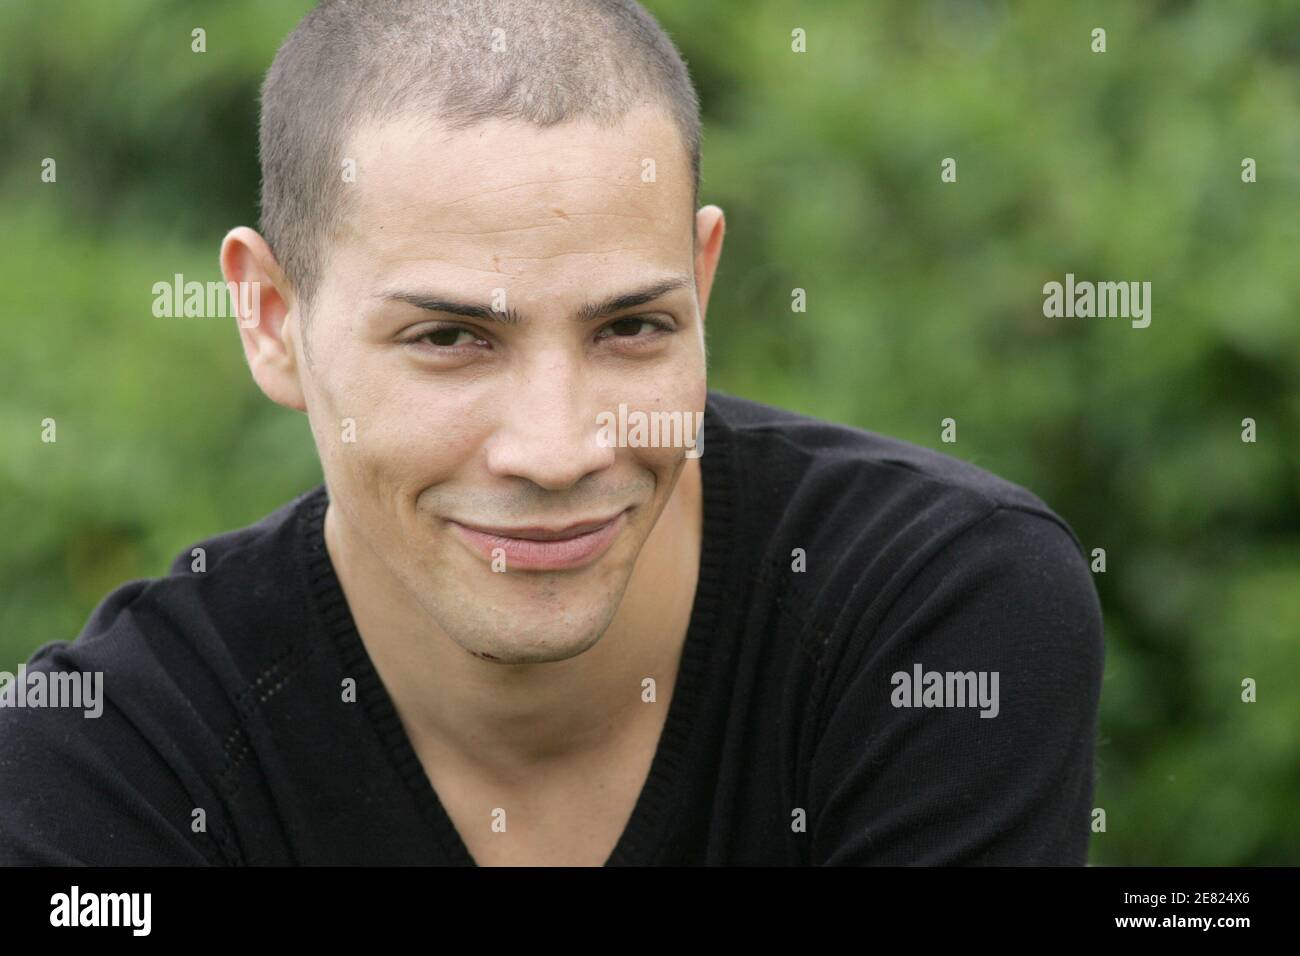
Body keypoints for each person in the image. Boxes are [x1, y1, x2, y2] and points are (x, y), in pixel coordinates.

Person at [0, 0, 1103, 866]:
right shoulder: (109, 761)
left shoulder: (932, 610)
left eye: (631, 325)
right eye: (449, 337)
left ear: (703, 282)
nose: (559, 445)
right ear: (274, 318)